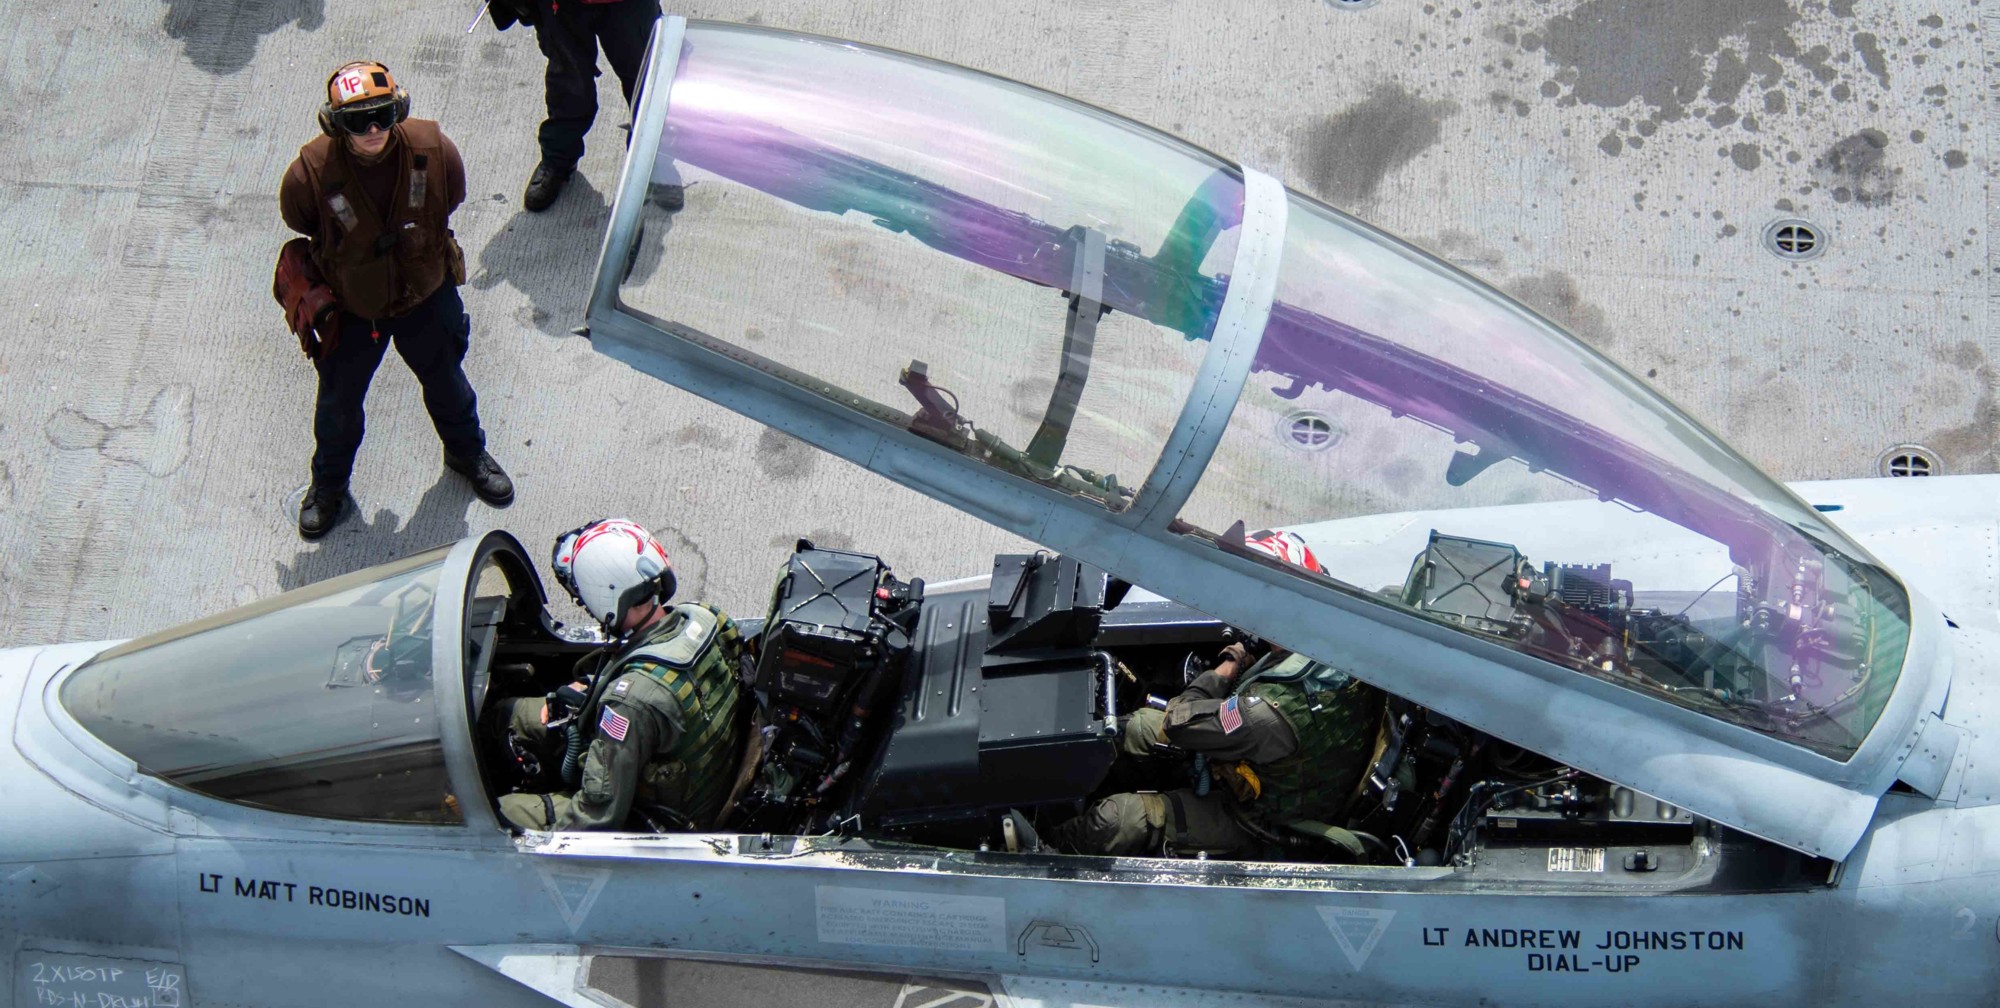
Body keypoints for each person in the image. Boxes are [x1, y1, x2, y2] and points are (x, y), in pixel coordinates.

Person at [278, 60, 513, 539]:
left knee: (448, 383)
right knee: (338, 407)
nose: (371, 129)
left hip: (425, 295)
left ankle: (467, 453)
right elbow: (301, 221)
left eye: (382, 115)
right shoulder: (308, 176)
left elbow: (450, 199)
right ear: (333, 123)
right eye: (355, 120)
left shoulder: (436, 151)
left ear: (398, 109)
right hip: (352, 309)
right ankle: (328, 487)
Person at [1050, 530, 1382, 858]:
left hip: (1259, 820)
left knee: (1118, 820)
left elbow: (1180, 721)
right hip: (1278, 770)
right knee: (1129, 731)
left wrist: (1229, 664)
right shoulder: (1346, 639)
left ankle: (1049, 851)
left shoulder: (1267, 712)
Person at [493, 519, 749, 832]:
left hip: (658, 817)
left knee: (500, 813)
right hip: (700, 771)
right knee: (508, 716)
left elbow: (598, 813)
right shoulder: (706, 617)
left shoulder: (630, 702)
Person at [489, 0, 663, 212]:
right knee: (568, 85)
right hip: (561, 7)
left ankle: (655, 156)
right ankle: (559, 159)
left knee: (647, 78)